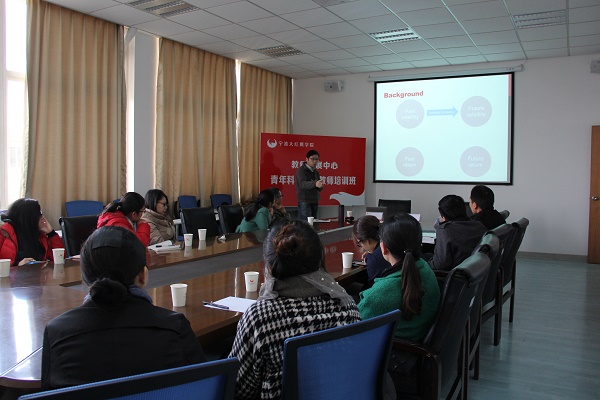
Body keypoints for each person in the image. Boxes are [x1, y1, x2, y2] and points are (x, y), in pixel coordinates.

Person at [41, 226, 207, 390]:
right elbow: (201, 387)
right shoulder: (174, 327)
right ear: (143, 275)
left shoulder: (57, 332)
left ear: (84, 278)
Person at [229, 220, 360, 399]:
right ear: (320, 259)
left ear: (269, 266)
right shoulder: (347, 306)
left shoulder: (260, 318)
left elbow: (237, 389)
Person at [358, 214, 440, 342]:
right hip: (417, 339)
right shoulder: (425, 267)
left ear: (383, 248)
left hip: (395, 349)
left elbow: (353, 326)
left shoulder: (379, 295)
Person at [427, 194, 487, 271]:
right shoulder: (480, 226)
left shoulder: (445, 231)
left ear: (443, 218)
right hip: (475, 272)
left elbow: (439, 266)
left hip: (450, 275)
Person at [0, 198, 64, 266]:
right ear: (29, 218)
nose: (43, 217)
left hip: (37, 272)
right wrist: (17, 264)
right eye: (39, 214)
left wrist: (51, 234)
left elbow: (60, 258)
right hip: (13, 272)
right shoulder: (4, 233)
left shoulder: (39, 235)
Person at [352, 215, 390, 290]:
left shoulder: (374, 259)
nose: (362, 246)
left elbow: (373, 291)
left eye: (359, 243)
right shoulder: (390, 244)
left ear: (367, 241)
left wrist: (372, 257)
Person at [295, 149, 324, 221]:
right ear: (306, 159)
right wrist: (315, 183)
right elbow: (302, 184)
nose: (315, 161)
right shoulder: (301, 170)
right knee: (306, 224)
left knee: (314, 223)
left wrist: (320, 186)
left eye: (317, 159)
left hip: (315, 201)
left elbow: (318, 187)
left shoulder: (315, 171)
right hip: (305, 202)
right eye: (312, 159)